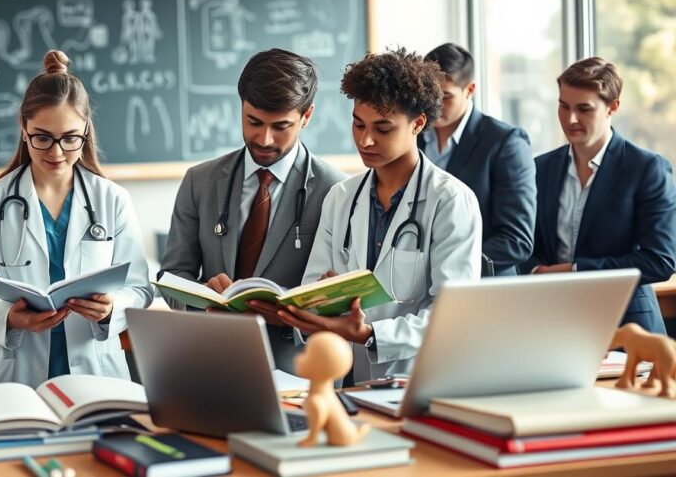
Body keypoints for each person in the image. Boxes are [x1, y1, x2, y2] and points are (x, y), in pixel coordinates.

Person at [278, 48, 482, 382]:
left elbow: (452, 314)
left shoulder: (450, 200)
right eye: (358, 124)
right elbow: (311, 292)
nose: (365, 139)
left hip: (419, 380)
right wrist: (317, 305)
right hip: (350, 382)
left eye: (383, 129)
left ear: (417, 124)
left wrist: (370, 333)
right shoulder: (341, 197)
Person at [0, 50, 153, 387]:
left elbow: (139, 289)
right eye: (42, 137)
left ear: (85, 130)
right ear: (24, 128)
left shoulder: (112, 200)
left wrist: (110, 309)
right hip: (14, 375)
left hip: (95, 372)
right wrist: (8, 317)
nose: (56, 152)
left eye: (70, 138)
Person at [158, 48, 347, 372]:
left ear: (307, 116)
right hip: (210, 360)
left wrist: (293, 312)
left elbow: (339, 296)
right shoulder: (200, 182)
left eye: (281, 126)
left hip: (298, 370)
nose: (264, 138)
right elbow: (171, 276)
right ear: (241, 107)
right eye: (254, 122)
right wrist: (200, 297)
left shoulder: (337, 190)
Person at [522, 57, 676, 334]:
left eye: (584, 109)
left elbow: (660, 261)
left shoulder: (647, 169)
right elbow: (520, 242)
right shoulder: (539, 169)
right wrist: (535, 272)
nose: (570, 119)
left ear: (612, 107)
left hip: (628, 328)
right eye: (563, 106)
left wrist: (574, 271)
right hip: (550, 321)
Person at [420, 43, 535, 276]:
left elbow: (516, 240)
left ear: (469, 89)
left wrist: (444, 264)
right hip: (415, 290)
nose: (434, 105)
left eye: (445, 97)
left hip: (483, 289)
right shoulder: (413, 137)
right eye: (428, 94)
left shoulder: (505, 143)